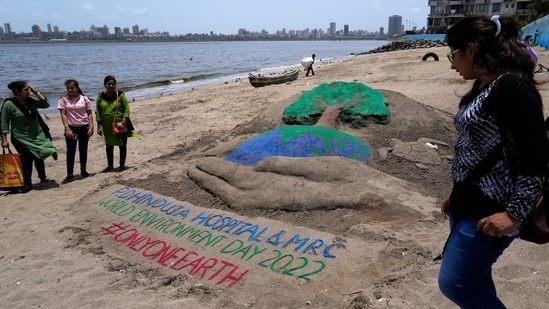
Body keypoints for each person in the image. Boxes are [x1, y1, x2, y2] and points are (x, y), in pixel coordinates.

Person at [439, 15, 549, 308]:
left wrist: (513, 215)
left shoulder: (513, 87)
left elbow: (536, 157)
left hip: (492, 211)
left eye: (454, 55)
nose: (452, 64)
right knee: (475, 280)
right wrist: (457, 189)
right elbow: (477, 147)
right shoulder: (484, 86)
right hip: (468, 201)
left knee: (455, 284)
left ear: (471, 49)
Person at [0, 81, 57, 193]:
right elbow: (4, 122)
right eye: (26, 90)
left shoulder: (30, 101)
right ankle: (27, 183)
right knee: (27, 160)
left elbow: (45, 104)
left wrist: (36, 92)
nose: (28, 91)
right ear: (17, 91)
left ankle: (43, 178)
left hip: (36, 136)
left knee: (39, 155)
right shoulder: (9, 104)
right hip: (20, 137)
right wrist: (4, 139)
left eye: (29, 89)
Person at [58, 79, 94, 184]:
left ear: (77, 88)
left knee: (83, 150)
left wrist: (91, 127)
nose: (70, 90)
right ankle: (70, 174)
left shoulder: (85, 99)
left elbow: (89, 114)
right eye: (68, 88)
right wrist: (67, 128)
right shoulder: (64, 99)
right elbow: (63, 114)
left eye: (72, 88)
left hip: (84, 127)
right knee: (70, 151)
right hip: (71, 129)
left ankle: (83, 170)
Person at [95, 75, 130, 172]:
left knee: (122, 145)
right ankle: (110, 166)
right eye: (109, 84)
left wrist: (123, 122)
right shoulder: (100, 97)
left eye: (113, 84)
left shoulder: (120, 95)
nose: (111, 86)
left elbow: (126, 110)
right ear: (105, 85)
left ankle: (122, 165)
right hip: (107, 126)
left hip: (120, 125)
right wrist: (99, 126)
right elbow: (98, 112)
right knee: (109, 145)